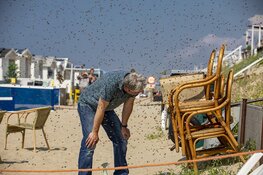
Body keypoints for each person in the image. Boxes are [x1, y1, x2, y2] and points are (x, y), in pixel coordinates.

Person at [77, 70, 146, 175]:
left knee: (121, 139)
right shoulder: (111, 83)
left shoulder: (133, 85)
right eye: (137, 92)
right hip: (88, 104)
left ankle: (121, 172)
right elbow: (101, 107)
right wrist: (94, 132)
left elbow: (128, 105)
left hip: (106, 108)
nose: (139, 93)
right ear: (127, 88)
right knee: (90, 141)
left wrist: (124, 126)